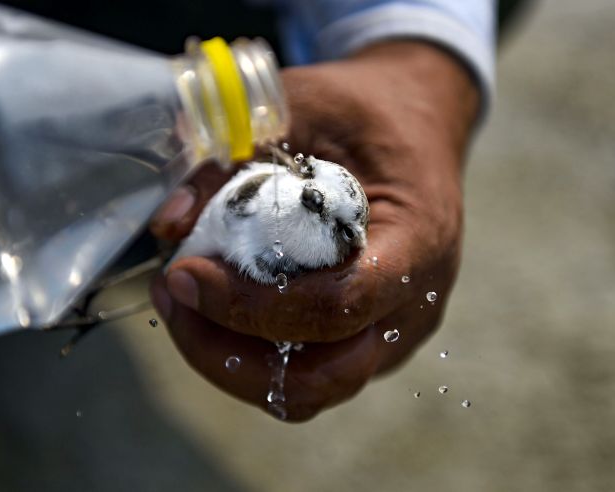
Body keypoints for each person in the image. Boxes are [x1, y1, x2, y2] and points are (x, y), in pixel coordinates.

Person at [148, 0, 503, 421]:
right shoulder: (265, 185)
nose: (302, 189)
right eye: (305, 175)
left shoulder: (308, 273)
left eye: (315, 201)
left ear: (345, 243)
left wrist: (426, 74)